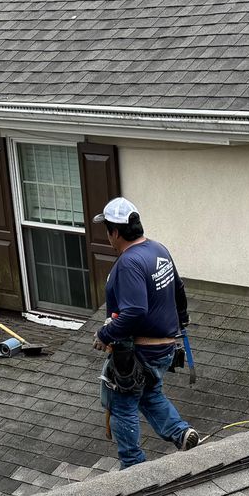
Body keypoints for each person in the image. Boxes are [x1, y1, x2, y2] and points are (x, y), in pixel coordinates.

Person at [92, 198, 203, 468]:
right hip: (163, 349)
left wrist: (105, 335)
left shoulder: (130, 262)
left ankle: (133, 466)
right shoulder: (157, 250)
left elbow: (134, 311)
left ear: (115, 232)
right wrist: (182, 322)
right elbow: (178, 289)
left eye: (107, 230)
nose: (107, 236)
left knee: (121, 403)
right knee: (150, 394)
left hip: (139, 351)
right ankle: (181, 433)